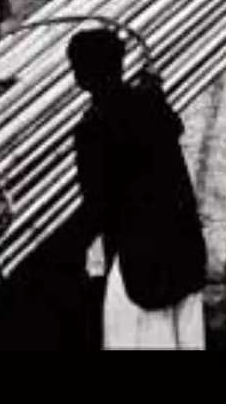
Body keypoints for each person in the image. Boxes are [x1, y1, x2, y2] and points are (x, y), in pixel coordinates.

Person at [71, 28, 207, 350]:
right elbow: (169, 123)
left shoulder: (92, 129)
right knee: (185, 337)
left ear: (80, 77)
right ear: (120, 66)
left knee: (136, 336)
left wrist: (76, 247)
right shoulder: (151, 105)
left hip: (142, 261)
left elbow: (97, 207)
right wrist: (151, 89)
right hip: (183, 245)